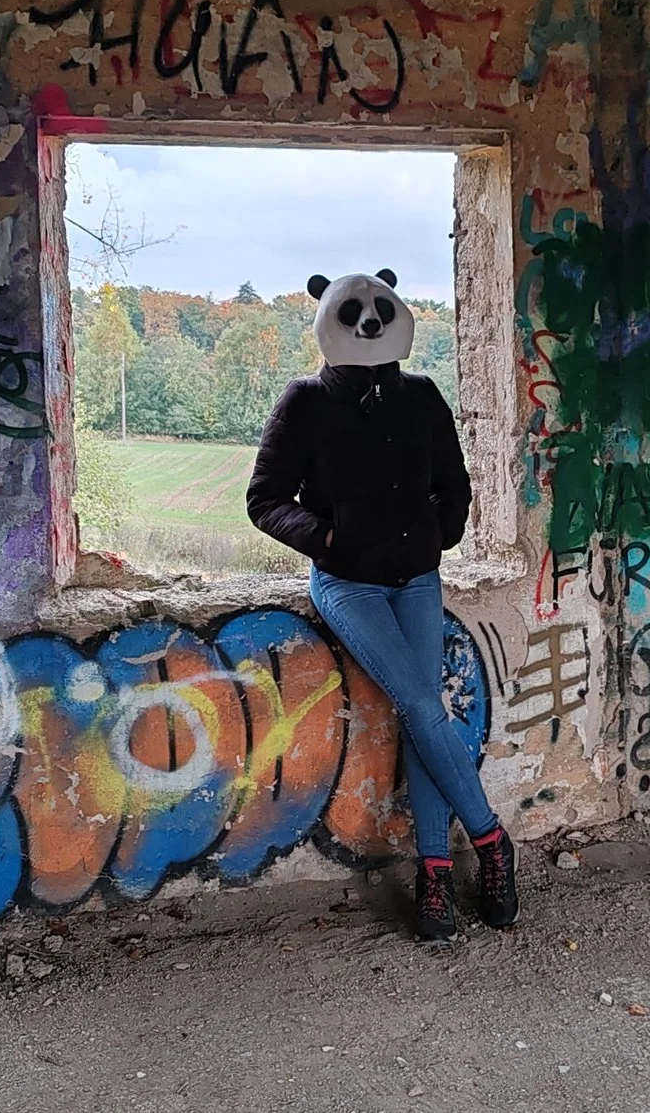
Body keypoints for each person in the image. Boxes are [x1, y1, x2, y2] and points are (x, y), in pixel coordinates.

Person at [246, 268, 517, 942]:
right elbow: (265, 498)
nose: (368, 323)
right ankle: (490, 839)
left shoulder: (422, 397)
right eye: (353, 312)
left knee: (421, 714)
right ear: (329, 317)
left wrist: (441, 534)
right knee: (425, 705)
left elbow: (455, 481)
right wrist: (327, 537)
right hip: (347, 583)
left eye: (378, 308)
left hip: (417, 577)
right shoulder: (304, 402)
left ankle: (432, 868)